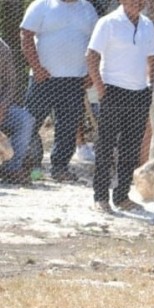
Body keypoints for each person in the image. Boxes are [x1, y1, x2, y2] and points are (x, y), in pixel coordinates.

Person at [86, 0, 154, 213]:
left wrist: (150, 85)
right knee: (106, 146)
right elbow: (91, 56)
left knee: (130, 147)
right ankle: (100, 197)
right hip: (113, 90)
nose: (138, 2)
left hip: (140, 93)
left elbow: (152, 57)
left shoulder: (147, 24)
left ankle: (122, 196)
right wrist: (100, 87)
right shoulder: (108, 22)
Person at [20, 0, 98, 183]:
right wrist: (36, 67)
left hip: (76, 80)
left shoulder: (87, 8)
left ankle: (60, 168)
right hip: (43, 78)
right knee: (30, 123)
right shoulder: (41, 5)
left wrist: (92, 72)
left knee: (68, 127)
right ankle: (23, 165)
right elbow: (26, 35)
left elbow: (97, 42)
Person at [0, 37, 34, 185]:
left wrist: (4, 105)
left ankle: (11, 168)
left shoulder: (2, 47)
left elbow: (11, 83)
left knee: (24, 119)